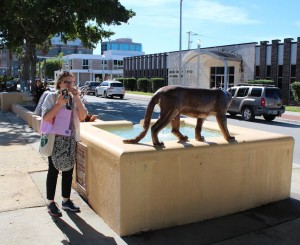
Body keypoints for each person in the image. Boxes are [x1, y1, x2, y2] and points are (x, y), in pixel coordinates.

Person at [41, 71, 87, 217]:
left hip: (70, 139)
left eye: (71, 82)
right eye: (66, 82)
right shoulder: (51, 97)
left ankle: (66, 201)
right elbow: (46, 118)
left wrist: (77, 97)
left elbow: (82, 117)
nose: (69, 85)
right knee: (53, 171)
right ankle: (50, 203)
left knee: (68, 171)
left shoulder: (74, 99)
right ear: (59, 83)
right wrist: (59, 104)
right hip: (54, 140)